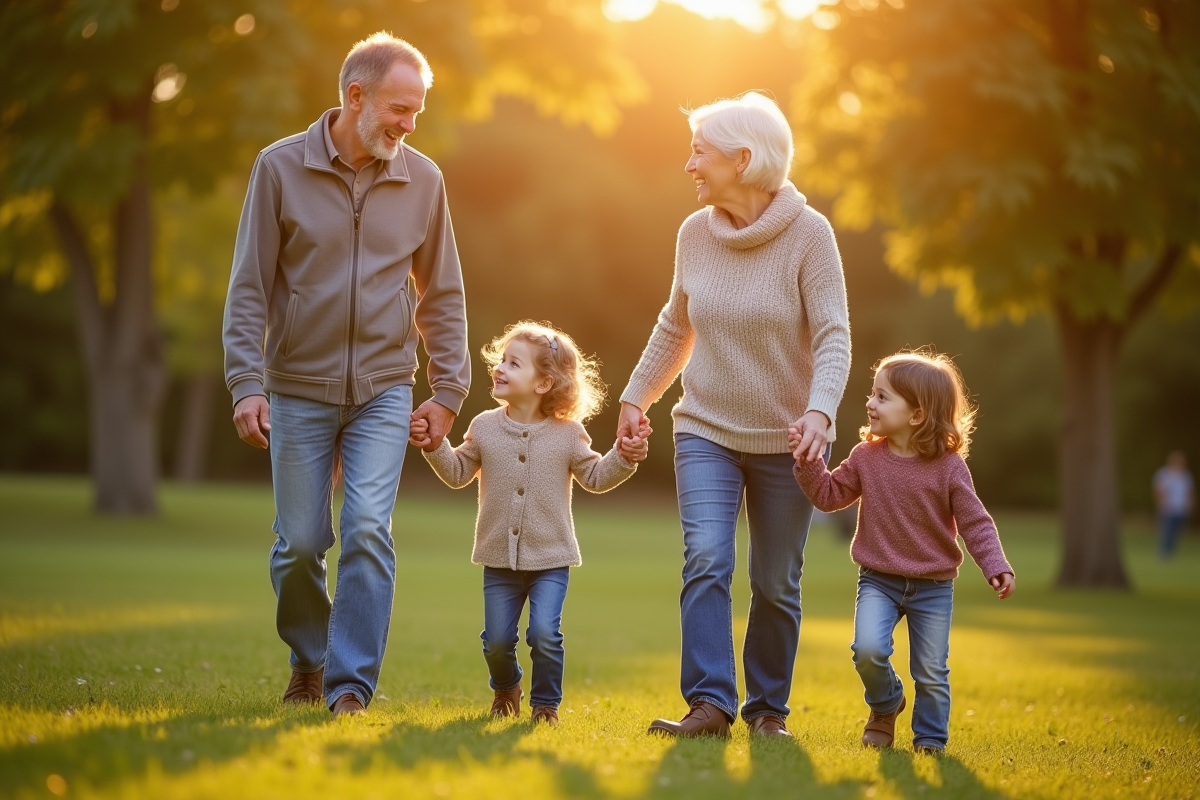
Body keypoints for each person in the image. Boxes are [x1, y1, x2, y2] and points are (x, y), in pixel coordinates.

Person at [222, 32, 470, 717]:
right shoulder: (279, 168)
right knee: (300, 544)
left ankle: (350, 686)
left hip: (384, 390)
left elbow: (443, 292)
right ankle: (309, 654)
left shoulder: (424, 180)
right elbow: (248, 286)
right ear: (354, 97)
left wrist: (447, 391)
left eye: (416, 110)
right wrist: (246, 382)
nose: (409, 123)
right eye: (399, 107)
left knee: (367, 528)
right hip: (296, 387)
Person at [616, 92, 852, 738]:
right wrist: (636, 396)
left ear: (743, 160)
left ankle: (768, 711)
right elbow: (676, 325)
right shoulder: (694, 234)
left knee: (776, 580)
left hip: (789, 440)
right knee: (707, 558)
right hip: (705, 431)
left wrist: (821, 414)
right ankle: (710, 704)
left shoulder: (811, 236)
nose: (688, 165)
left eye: (700, 152)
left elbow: (833, 335)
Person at [411, 321, 650, 726]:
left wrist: (625, 456)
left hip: (551, 559)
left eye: (514, 363)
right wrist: (435, 445)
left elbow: (596, 477)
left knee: (544, 634)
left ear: (543, 383)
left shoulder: (568, 434)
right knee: (497, 642)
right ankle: (507, 687)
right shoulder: (484, 426)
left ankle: (545, 706)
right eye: (502, 360)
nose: (500, 368)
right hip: (497, 561)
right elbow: (456, 472)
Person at [792, 350, 1015, 754]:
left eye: (882, 397)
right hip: (879, 579)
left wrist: (995, 564)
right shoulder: (865, 458)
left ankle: (929, 740)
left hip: (933, 586)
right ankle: (886, 704)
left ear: (916, 415)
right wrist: (808, 463)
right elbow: (829, 496)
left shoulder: (948, 468)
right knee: (867, 650)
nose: (869, 403)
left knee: (930, 671)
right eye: (872, 394)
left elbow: (974, 522)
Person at [1154, 451, 1194, 559]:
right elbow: (1159, 490)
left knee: (1177, 532)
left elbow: (1189, 492)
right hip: (1168, 508)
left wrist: (1189, 506)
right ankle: (1163, 553)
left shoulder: (1185, 475)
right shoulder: (1164, 474)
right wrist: (1163, 503)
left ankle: (1171, 552)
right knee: (1166, 530)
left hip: (1180, 508)